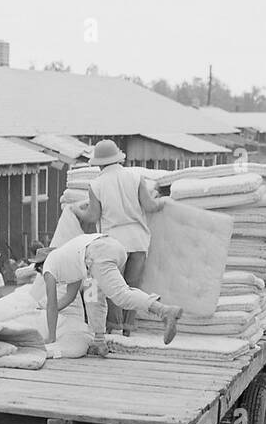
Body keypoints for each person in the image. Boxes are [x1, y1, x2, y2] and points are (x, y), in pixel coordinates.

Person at [69, 139, 169, 335]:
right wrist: (164, 202)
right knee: (132, 287)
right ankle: (128, 330)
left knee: (113, 287)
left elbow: (93, 216)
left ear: (99, 163)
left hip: (113, 242)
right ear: (118, 159)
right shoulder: (136, 177)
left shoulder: (96, 185)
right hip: (139, 240)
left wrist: (76, 210)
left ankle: (113, 329)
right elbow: (150, 206)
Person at [41, 232, 183, 352]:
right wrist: (47, 310)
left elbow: (51, 304)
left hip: (95, 254)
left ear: (40, 265)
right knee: (92, 298)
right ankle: (99, 340)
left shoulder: (48, 266)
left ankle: (164, 310)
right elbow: (69, 297)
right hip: (105, 251)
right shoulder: (66, 261)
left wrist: (51, 338)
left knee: (121, 295)